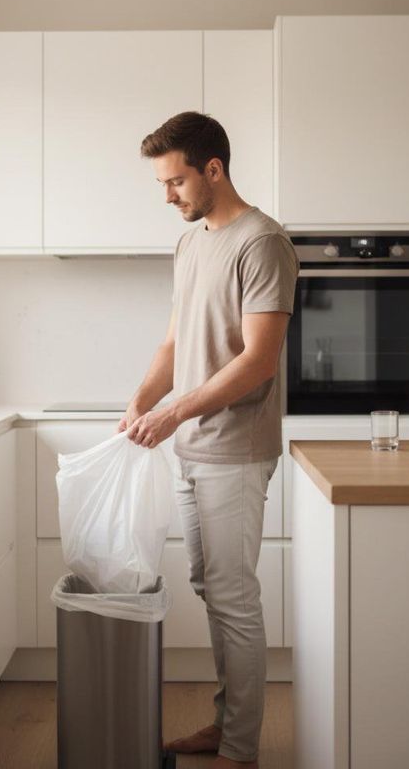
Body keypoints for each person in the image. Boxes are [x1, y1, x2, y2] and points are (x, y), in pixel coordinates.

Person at [117, 111, 299, 769]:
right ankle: (227, 727)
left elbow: (258, 360)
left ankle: (241, 748)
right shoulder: (191, 244)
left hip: (236, 447)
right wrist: (143, 401)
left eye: (175, 182)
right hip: (192, 445)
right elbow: (175, 340)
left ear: (212, 170)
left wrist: (171, 415)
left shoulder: (262, 241)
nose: (168, 195)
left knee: (233, 594)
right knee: (208, 584)